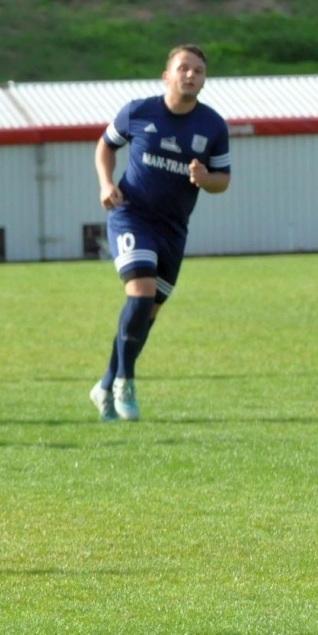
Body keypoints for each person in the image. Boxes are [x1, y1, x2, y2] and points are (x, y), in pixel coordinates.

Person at [90, 44, 230, 421]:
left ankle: (105, 384)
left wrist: (205, 178)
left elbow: (223, 180)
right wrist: (106, 184)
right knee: (140, 294)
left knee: (148, 312)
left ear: (204, 80)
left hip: (173, 229)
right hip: (132, 216)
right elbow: (105, 147)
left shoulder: (213, 126)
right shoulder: (138, 112)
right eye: (183, 68)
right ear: (166, 76)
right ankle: (125, 381)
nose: (191, 75)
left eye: (198, 70)